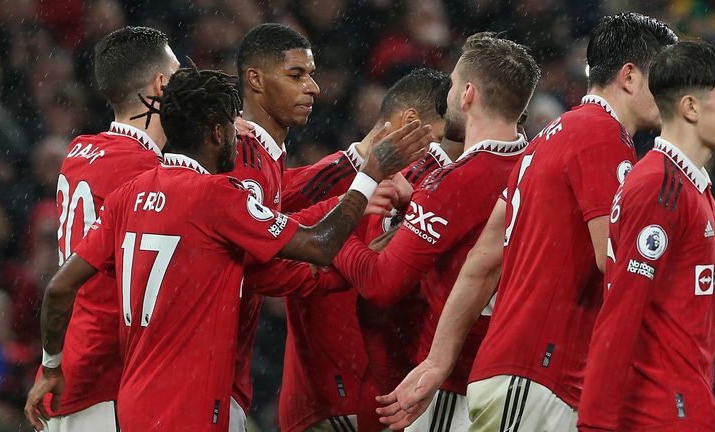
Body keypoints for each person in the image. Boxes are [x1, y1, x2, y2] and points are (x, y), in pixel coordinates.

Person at [24, 63, 431, 431]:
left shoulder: (128, 195)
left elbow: (59, 288)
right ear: (218, 132)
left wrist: (51, 367)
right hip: (191, 408)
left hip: (132, 404)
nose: (241, 136)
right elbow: (319, 245)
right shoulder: (216, 197)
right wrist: (368, 173)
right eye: (234, 128)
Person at [377, 13, 677, 432]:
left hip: (518, 370)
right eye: (664, 79)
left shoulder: (549, 137)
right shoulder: (603, 137)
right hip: (540, 370)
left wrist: (436, 362)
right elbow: (616, 263)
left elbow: (484, 260)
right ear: (629, 76)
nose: (672, 94)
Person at [333, 32, 540, 431]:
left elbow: (381, 283)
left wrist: (339, 233)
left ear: (466, 94)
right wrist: (416, 209)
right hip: (510, 375)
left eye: (449, 87)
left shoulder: (460, 182)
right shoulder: (531, 164)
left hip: (454, 385)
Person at [578, 40, 715, 431]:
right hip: (660, 411)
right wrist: (594, 423)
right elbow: (620, 313)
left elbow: (705, 307)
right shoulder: (660, 189)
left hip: (687, 405)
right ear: (690, 107)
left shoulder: (690, 189)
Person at [278, 67, 452, 432]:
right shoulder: (325, 180)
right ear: (409, 123)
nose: (441, 152)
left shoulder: (427, 186)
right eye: (438, 138)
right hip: (332, 399)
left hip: (393, 397)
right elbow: (259, 222)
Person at [25, 26, 179, 432]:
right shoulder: (147, 174)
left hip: (67, 367)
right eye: (180, 74)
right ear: (161, 84)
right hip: (111, 381)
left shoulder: (78, 151)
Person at [229, 23, 320, 430]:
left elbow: (288, 197)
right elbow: (260, 266)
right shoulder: (244, 155)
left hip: (225, 370)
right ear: (255, 79)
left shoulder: (264, 155)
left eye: (311, 74)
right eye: (296, 75)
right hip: (209, 372)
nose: (313, 87)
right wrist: (351, 263)